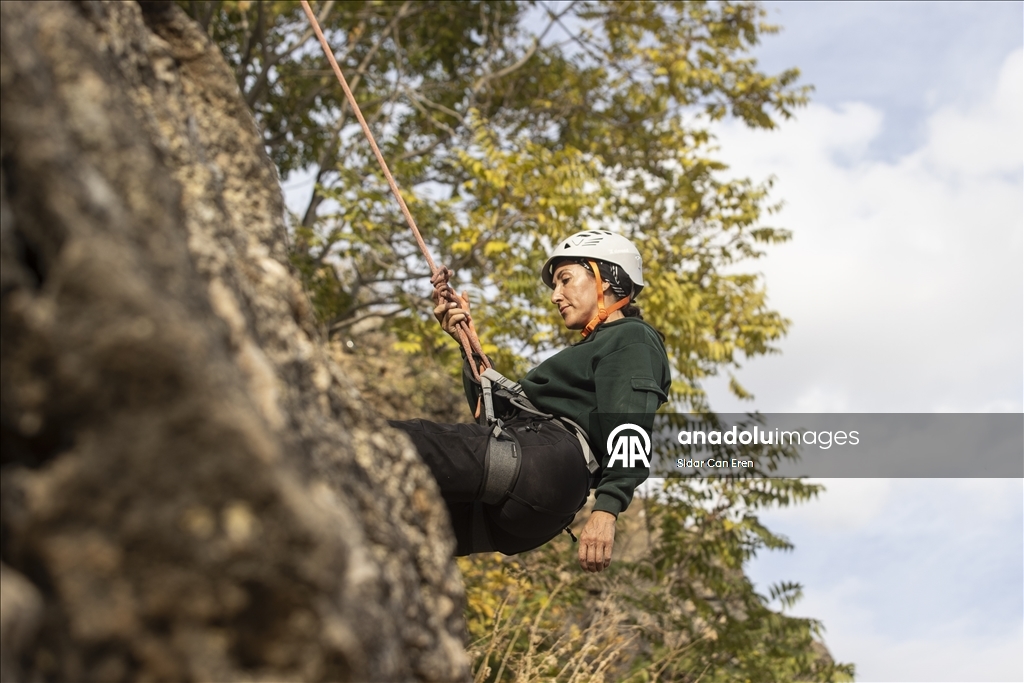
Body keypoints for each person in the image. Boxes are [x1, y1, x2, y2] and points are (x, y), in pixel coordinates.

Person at [389, 230, 671, 572]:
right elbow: (494, 420)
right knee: (391, 525)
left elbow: (631, 425)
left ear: (607, 277)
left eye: (565, 280)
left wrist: (607, 509)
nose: (556, 296)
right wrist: (463, 341)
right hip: (537, 504)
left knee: (395, 442)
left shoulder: (632, 337)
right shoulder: (591, 352)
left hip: (547, 462)